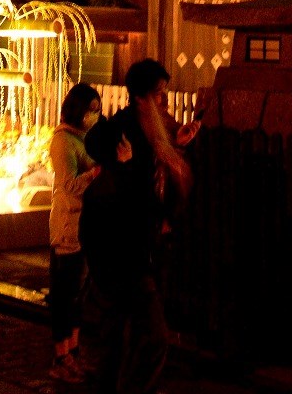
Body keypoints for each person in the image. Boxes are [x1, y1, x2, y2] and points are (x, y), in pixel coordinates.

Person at [80, 58, 195, 394]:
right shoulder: (125, 126)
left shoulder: (153, 129)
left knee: (117, 332)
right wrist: (119, 161)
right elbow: (97, 141)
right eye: (160, 94)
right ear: (142, 98)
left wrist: (178, 145)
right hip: (117, 245)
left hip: (137, 244)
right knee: (152, 334)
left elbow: (152, 177)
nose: (166, 100)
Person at [47, 82, 102, 384]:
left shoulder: (84, 138)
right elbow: (69, 184)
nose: (94, 115)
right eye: (91, 109)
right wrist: (96, 173)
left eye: (97, 110)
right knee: (64, 294)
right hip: (68, 225)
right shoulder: (63, 141)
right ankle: (61, 356)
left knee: (78, 294)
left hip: (86, 224)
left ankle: (74, 352)